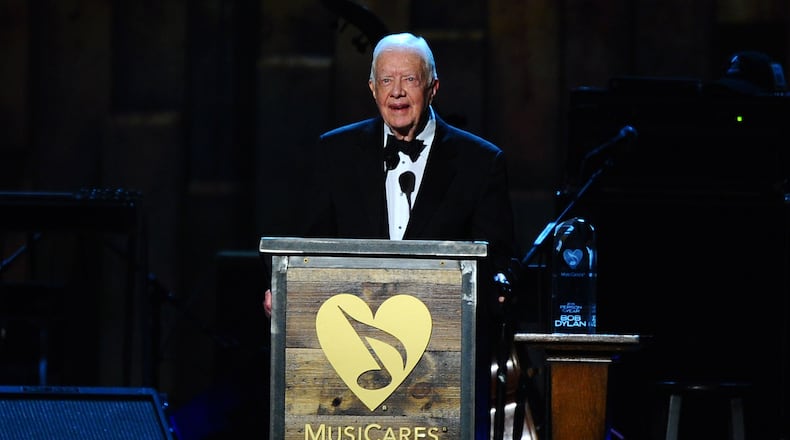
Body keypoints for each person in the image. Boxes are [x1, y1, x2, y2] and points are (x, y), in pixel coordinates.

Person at [263, 32, 522, 440]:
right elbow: (307, 247)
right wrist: (283, 288)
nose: (397, 93)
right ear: (372, 88)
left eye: (410, 80)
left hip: (441, 378)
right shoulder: (335, 153)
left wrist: (495, 292)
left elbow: (499, 261)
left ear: (433, 87)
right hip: (347, 370)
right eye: (386, 80)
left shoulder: (481, 162)